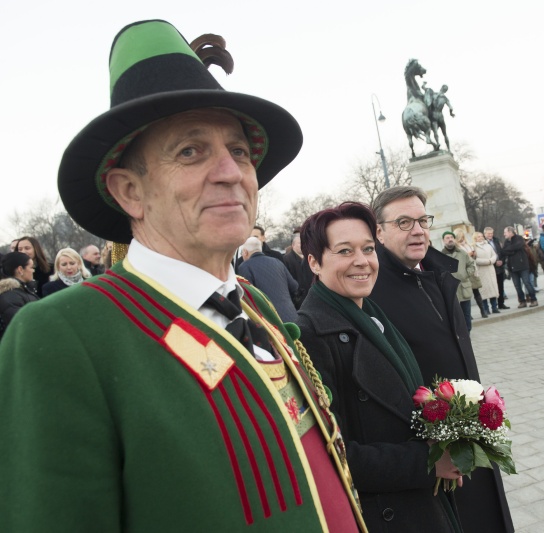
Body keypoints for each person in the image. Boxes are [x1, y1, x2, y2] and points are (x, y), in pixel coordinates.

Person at [0, 20, 363, 532]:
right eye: (190, 151)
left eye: (239, 151)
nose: (231, 172)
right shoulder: (60, 334)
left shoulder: (253, 303)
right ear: (130, 192)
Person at [297, 202, 462, 532]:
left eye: (368, 249)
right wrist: (427, 462)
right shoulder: (309, 335)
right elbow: (330, 456)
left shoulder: (372, 315)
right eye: (345, 251)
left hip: (418, 503)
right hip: (384, 514)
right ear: (314, 262)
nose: (362, 261)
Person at [369, 186, 514, 533]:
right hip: (431, 453)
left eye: (423, 220)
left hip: (471, 433)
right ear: (379, 232)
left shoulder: (439, 272)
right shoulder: (371, 290)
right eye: (404, 222)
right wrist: (424, 451)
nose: (418, 230)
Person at [238, 236, 299, 322]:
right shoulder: (277, 262)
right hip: (291, 315)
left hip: (269, 320)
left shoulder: (245, 267)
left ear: (245, 252)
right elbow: (294, 286)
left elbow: (248, 296)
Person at [442, 231, 476, 330]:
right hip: (451, 290)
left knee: (466, 313)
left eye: (451, 237)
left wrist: (466, 274)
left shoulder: (462, 253)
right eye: (447, 238)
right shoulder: (441, 255)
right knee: (455, 315)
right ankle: (458, 334)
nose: (450, 239)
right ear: (443, 240)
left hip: (464, 286)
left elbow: (471, 265)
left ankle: (468, 333)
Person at [0, 252, 39, 338]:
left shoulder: (23, 291)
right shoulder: (10, 296)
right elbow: (24, 324)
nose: (33, 270)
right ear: (20, 270)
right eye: (31, 267)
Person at [500, 226, 538, 308]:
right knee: (517, 286)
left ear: (510, 232)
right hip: (512, 267)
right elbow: (503, 251)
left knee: (527, 283)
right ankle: (522, 301)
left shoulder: (519, 238)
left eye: (505, 232)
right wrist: (512, 251)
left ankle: (533, 299)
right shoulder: (506, 241)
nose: (504, 234)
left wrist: (509, 250)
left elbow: (518, 246)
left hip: (523, 265)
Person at [454, 228, 486, 318]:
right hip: (463, 272)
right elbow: (459, 259)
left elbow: (473, 258)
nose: (462, 238)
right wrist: (468, 254)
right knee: (466, 294)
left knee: (476, 292)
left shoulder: (467, 244)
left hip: (472, 270)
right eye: (460, 236)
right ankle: (468, 314)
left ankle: (483, 311)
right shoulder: (456, 247)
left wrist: (473, 254)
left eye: (463, 236)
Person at [284, 231, 314, 309]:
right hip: (296, 300)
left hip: (311, 297)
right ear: (293, 245)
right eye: (300, 243)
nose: (303, 245)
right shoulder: (286, 260)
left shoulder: (310, 259)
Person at [473, 231, 501, 314]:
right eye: (478, 236)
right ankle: (486, 309)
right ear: (475, 238)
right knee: (484, 291)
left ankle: (494, 307)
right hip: (481, 271)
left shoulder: (488, 245)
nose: (481, 238)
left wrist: (491, 261)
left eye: (481, 236)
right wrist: (487, 261)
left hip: (490, 269)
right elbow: (475, 259)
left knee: (492, 288)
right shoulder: (474, 247)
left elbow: (494, 255)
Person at [483, 227, 509, 309]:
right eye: (488, 233)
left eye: (491, 233)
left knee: (501, 286)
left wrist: (502, 261)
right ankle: (494, 305)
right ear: (485, 234)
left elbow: (501, 252)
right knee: (493, 286)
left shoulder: (496, 241)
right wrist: (495, 262)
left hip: (500, 267)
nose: (490, 235)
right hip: (491, 267)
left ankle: (501, 303)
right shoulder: (483, 242)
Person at [430, 84, 455, 152]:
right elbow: (451, 107)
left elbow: (428, 103)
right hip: (441, 116)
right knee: (445, 133)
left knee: (435, 131)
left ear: (441, 88)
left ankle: (438, 143)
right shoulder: (445, 98)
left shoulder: (434, 94)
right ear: (446, 91)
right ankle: (449, 149)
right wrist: (451, 113)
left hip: (434, 115)